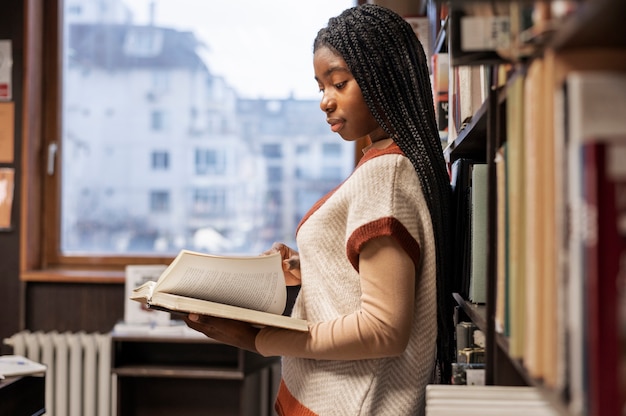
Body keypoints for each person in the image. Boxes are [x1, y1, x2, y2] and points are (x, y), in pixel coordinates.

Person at [184, 4, 454, 415]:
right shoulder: (389, 160)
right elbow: (366, 276)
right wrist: (304, 261)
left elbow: (383, 330)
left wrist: (256, 339)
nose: (325, 102)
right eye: (320, 87)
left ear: (384, 76)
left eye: (339, 83)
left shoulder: (388, 174)